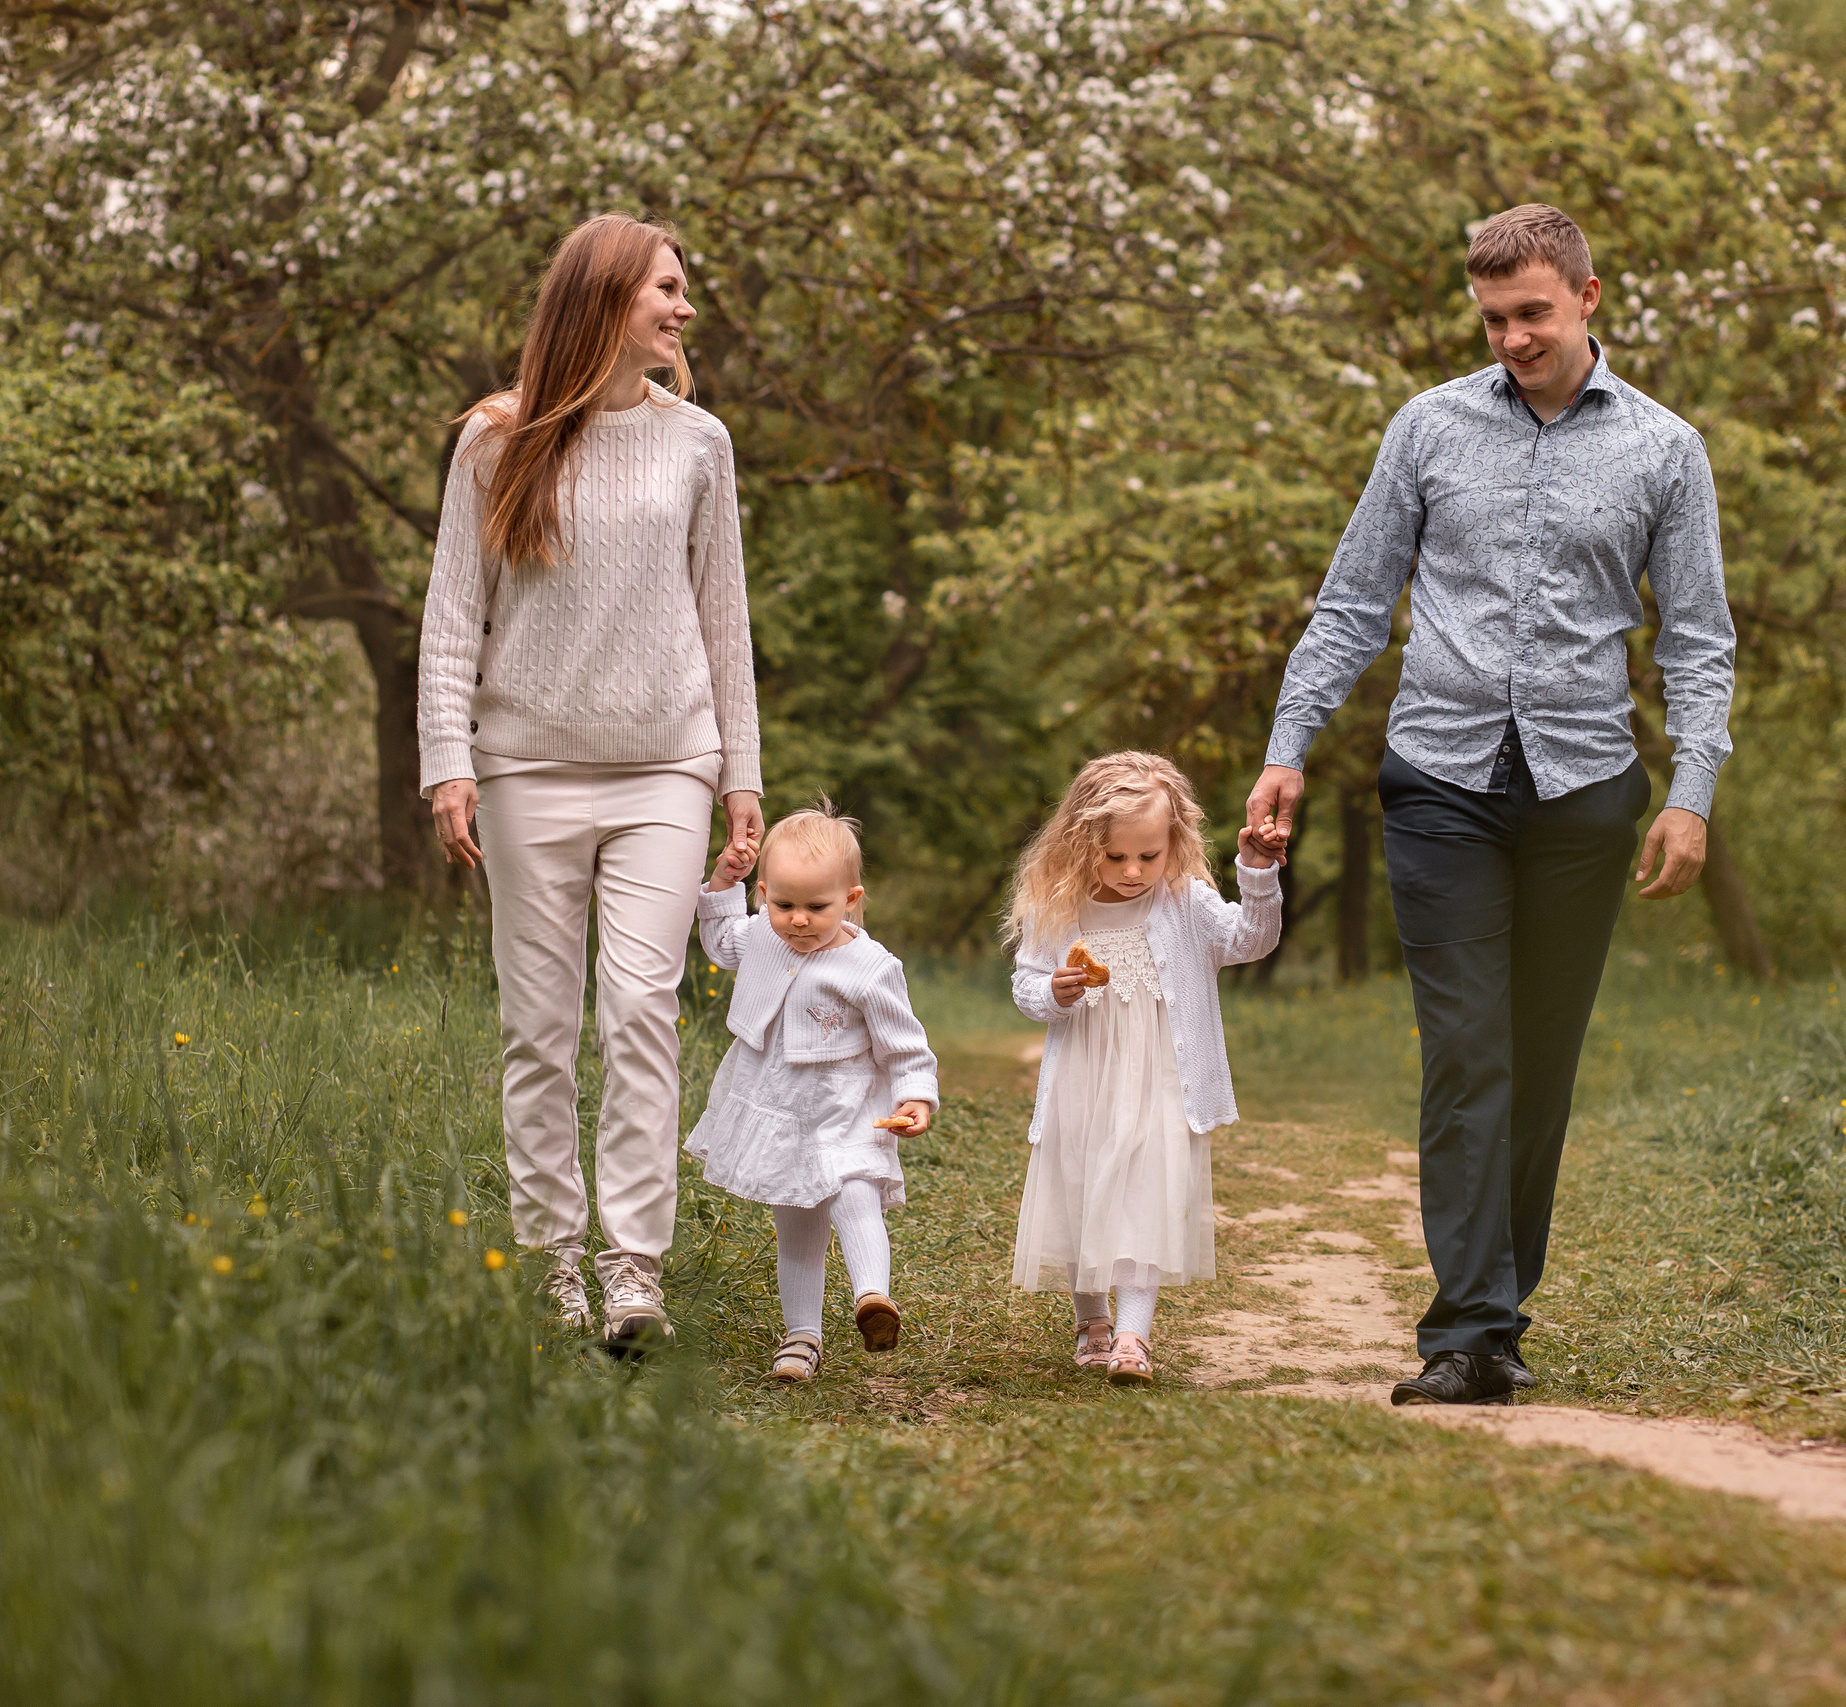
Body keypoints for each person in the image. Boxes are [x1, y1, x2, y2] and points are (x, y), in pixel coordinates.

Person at [1245, 204, 1736, 1406]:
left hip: (1583, 791)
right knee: (1467, 1051)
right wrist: (1287, 743)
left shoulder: (1665, 451)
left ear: (1587, 298)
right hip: (1440, 780)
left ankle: (1498, 1312)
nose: (1513, 337)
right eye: (1493, 318)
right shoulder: (1428, 428)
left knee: (1538, 1061)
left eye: (1533, 313)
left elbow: (1700, 641)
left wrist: (1694, 791)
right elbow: (1355, 600)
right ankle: (1466, 1330)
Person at [416, 214, 764, 1355]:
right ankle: (554, 1262)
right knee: (537, 1029)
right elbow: (451, 618)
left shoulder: (698, 442)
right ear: (605, 298)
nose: (684, 309)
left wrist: (740, 777)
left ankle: (632, 1272)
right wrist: (447, 762)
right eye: (666, 289)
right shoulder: (493, 441)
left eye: (683, 293)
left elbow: (725, 619)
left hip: (666, 765)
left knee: (638, 1011)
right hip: (524, 769)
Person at [1006, 752, 1285, 1387]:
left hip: (1163, 1075)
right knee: (1083, 1190)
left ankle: (1133, 1334)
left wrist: (1259, 873)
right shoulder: (1061, 907)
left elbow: (1250, 940)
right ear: (1082, 845)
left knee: (1145, 1191)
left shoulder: (1185, 902)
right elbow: (1025, 986)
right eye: (1115, 857)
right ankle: (1092, 1321)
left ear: (1173, 845)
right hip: (1085, 1074)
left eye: (1148, 857)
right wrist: (1055, 990)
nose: (1133, 872)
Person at [686, 802, 938, 1384]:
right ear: (765, 894)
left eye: (816, 907)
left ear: (851, 899)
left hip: (844, 1102)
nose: (798, 920)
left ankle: (874, 1297)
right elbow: (721, 939)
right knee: (796, 1223)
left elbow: (904, 1042)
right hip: (777, 1103)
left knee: (855, 1193)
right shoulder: (759, 936)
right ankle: (801, 1338)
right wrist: (726, 880)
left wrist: (916, 1095)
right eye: (784, 905)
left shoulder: (869, 966)